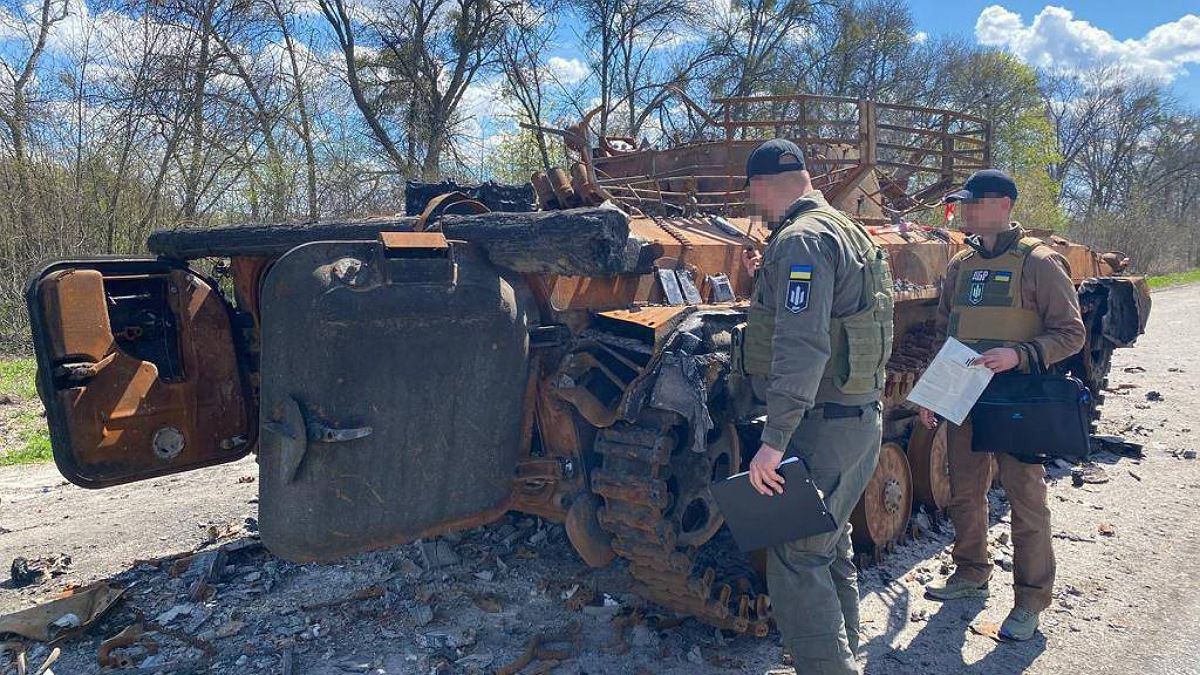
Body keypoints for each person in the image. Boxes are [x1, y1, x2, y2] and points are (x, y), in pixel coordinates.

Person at [740, 139, 894, 675]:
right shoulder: (845, 230)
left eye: (753, 192)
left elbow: (803, 345)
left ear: (760, 185)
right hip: (859, 419)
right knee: (830, 546)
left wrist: (773, 441)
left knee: (795, 555)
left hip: (821, 425)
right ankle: (843, 654)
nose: (756, 204)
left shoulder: (802, 239)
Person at [921, 169, 1085, 641]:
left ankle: (1031, 600)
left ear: (1005, 204)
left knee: (1025, 499)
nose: (968, 210)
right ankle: (971, 573)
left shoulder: (1039, 262)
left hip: (1019, 399)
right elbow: (943, 334)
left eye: (977, 201)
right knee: (964, 490)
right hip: (966, 396)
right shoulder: (961, 264)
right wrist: (934, 394)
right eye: (965, 202)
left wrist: (1020, 354)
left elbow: (1071, 334)